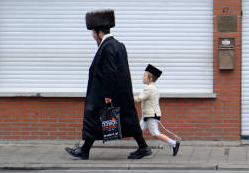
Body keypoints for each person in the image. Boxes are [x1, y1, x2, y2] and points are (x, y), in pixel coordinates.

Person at [65, 10, 152, 160]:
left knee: (95, 118)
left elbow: (109, 72)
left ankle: (84, 150)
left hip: (107, 94)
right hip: (120, 93)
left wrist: (107, 95)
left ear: (99, 32)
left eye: (93, 33)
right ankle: (143, 147)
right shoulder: (118, 45)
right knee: (126, 119)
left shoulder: (108, 46)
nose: (92, 36)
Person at [134, 64, 180, 156]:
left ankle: (174, 144)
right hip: (148, 115)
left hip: (151, 115)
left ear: (150, 78)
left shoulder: (150, 89)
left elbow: (139, 98)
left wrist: (126, 97)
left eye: (144, 76)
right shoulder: (151, 88)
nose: (142, 77)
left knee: (155, 133)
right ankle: (142, 147)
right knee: (137, 131)